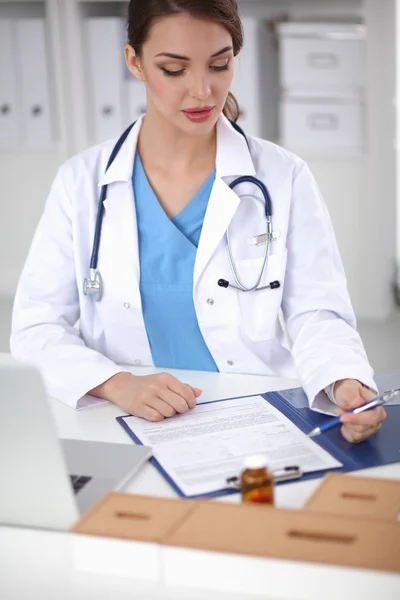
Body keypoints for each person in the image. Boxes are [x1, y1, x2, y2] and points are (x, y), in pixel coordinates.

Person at [11, 0, 385, 443]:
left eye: (219, 65)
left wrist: (342, 380)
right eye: (174, 69)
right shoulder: (82, 183)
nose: (204, 90)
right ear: (135, 61)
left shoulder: (282, 176)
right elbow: (37, 326)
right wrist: (117, 384)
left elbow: (315, 312)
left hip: (254, 419)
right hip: (123, 423)